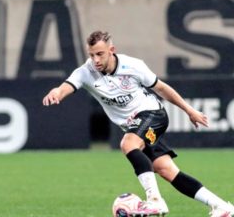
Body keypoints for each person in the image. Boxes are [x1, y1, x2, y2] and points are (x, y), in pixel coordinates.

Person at [42, 30, 234, 217]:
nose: (96, 60)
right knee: (166, 170)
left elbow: (161, 88)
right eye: (92, 55)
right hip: (135, 127)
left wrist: (189, 110)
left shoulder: (133, 66)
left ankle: (155, 200)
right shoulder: (87, 72)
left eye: (100, 54)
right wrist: (57, 93)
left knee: (128, 144)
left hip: (153, 114)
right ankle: (221, 207)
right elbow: (68, 85)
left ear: (112, 50)